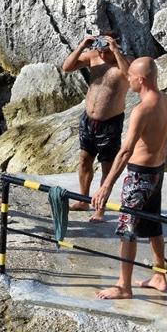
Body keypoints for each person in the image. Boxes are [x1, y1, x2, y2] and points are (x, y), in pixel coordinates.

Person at [91, 57, 167, 300]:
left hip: (139, 174)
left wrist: (106, 186)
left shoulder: (142, 110)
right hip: (157, 170)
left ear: (141, 79)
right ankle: (160, 275)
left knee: (127, 228)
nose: (127, 80)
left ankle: (123, 286)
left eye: (130, 77)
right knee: (153, 224)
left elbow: (126, 150)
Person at [62, 32, 130, 222]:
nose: (100, 50)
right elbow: (66, 67)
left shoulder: (123, 62)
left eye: (104, 46)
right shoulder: (93, 57)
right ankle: (84, 200)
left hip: (110, 123)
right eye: (98, 45)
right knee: (84, 159)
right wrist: (82, 46)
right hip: (88, 121)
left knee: (107, 167)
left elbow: (131, 78)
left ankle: (99, 209)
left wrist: (115, 51)